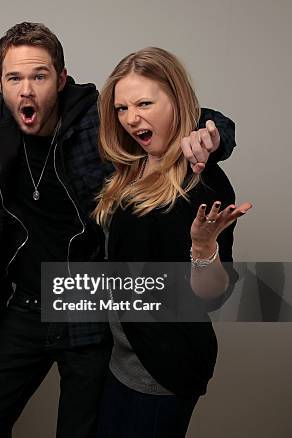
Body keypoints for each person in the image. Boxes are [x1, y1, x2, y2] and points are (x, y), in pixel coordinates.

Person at [0, 23, 237, 438]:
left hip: (89, 299)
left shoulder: (98, 116)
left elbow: (178, 114)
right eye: (14, 78)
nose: (27, 91)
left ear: (62, 77)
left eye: (40, 76)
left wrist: (214, 134)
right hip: (28, 301)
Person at [91, 47, 251, 437]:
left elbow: (211, 297)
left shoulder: (205, 181)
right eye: (122, 108)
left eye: (144, 103)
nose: (131, 119)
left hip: (160, 369)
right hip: (120, 360)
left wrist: (203, 247)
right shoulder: (128, 167)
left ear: (177, 100)